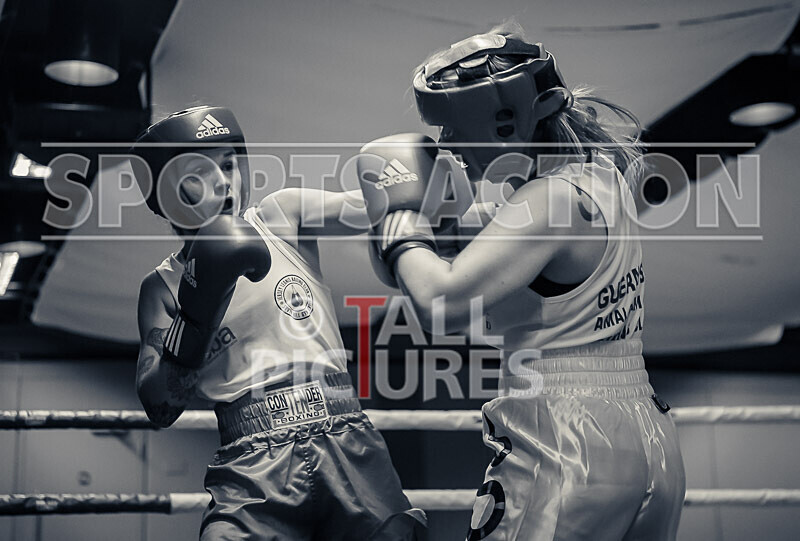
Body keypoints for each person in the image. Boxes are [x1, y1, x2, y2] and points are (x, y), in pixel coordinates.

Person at [357, 27, 685, 541]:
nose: (447, 146)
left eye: (453, 128)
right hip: (647, 436)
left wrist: (399, 223)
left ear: (507, 122)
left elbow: (442, 302)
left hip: (566, 438)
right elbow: (505, 252)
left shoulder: (546, 201)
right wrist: (427, 233)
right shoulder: (601, 178)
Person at [132, 105, 424, 540]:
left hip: (345, 434)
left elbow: (366, 209)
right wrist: (198, 312)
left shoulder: (280, 216)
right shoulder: (162, 287)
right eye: (199, 173)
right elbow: (159, 406)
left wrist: (420, 172)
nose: (223, 181)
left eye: (229, 164)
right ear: (166, 194)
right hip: (251, 460)